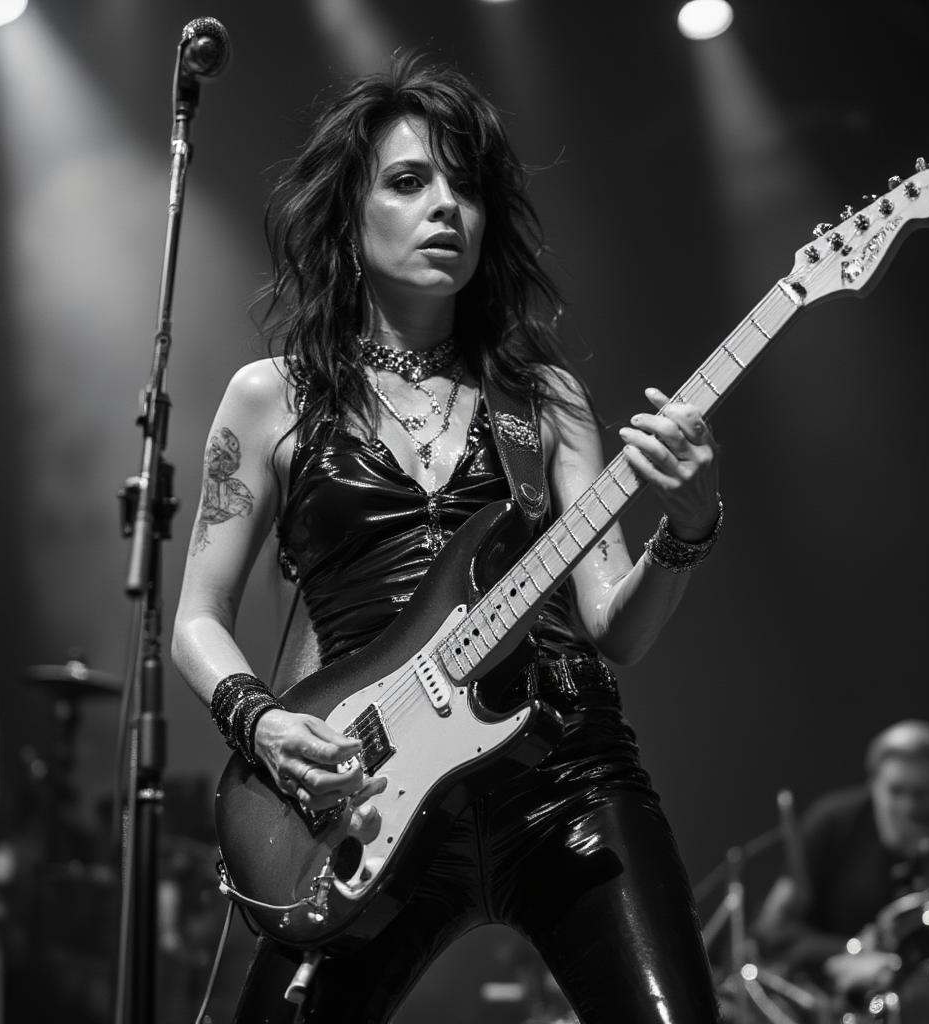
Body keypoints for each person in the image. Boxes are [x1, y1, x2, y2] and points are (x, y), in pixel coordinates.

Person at [172, 54, 723, 1024]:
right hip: (365, 793)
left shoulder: (541, 397)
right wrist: (260, 719)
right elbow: (194, 619)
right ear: (348, 214)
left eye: (466, 187)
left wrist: (685, 528)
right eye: (408, 180)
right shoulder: (273, 397)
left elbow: (613, 625)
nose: (446, 209)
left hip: (561, 770)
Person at [754, 719, 929, 1004]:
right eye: (897, 792)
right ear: (874, 786)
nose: (909, 808)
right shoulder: (832, 825)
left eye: (922, 794)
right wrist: (850, 951)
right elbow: (773, 932)